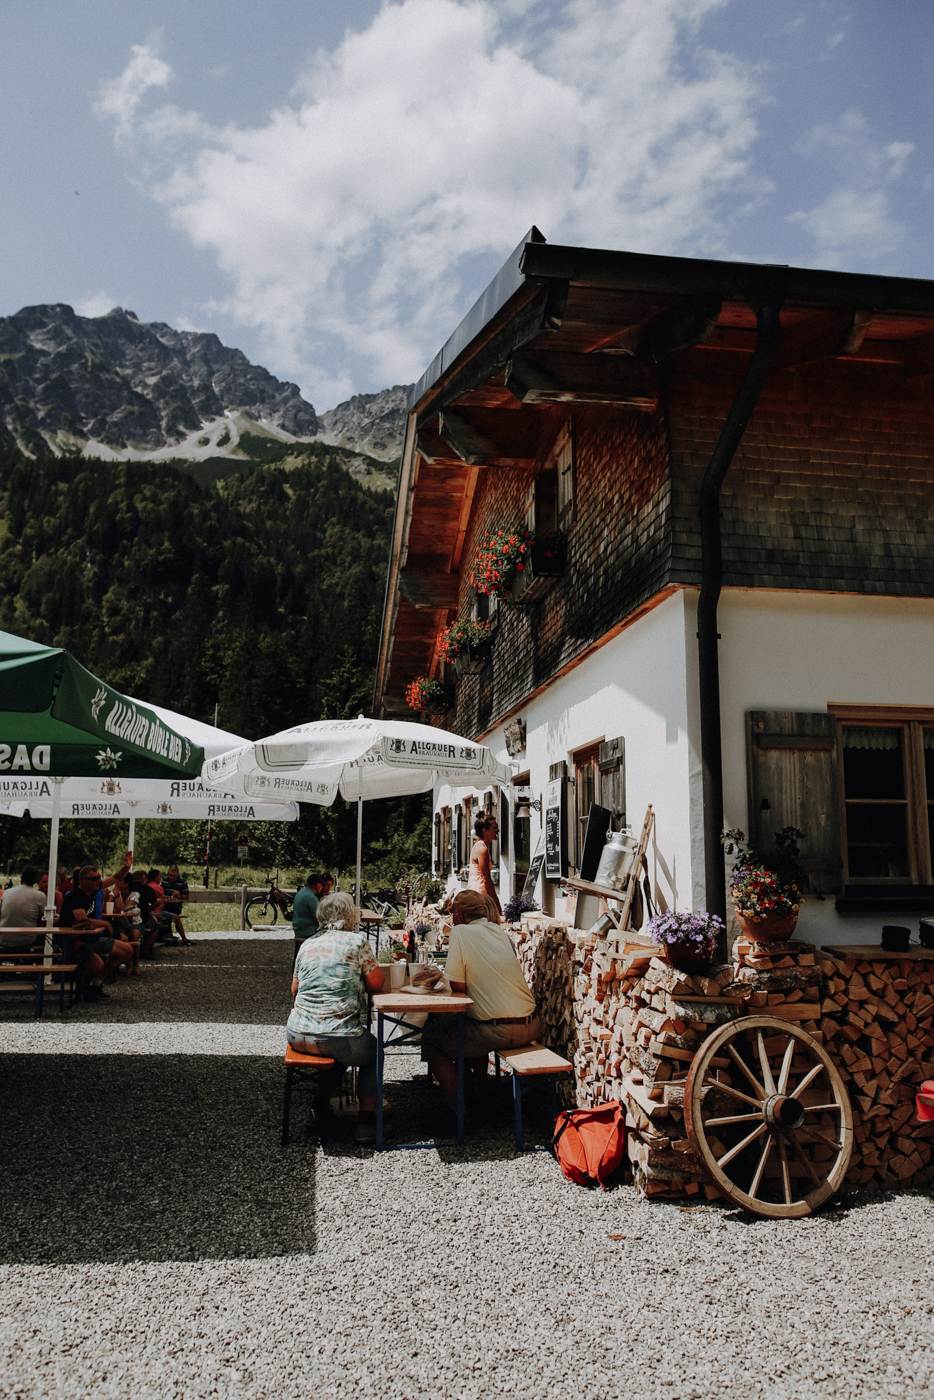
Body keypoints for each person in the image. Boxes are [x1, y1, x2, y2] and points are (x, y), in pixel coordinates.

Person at [422, 889, 539, 1120]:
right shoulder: (498, 931)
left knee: (433, 1040)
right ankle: (481, 1089)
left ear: (457, 916)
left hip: (501, 1030)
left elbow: (458, 987)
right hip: (532, 1024)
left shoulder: (460, 933)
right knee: (468, 1024)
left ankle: (460, 1112)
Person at [287, 891, 384, 1144]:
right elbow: (377, 984)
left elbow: (294, 991)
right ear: (350, 916)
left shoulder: (307, 944)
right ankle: (366, 1123)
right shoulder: (357, 942)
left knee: (337, 1047)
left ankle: (319, 1109)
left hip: (297, 1033)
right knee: (373, 1051)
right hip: (337, 1036)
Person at [59, 866, 134, 1000]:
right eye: (94, 878)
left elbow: (116, 878)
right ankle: (85, 982)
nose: (98, 881)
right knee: (98, 965)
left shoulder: (94, 888)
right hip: (74, 940)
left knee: (127, 951)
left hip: (92, 937)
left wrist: (127, 866)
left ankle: (95, 984)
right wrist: (105, 923)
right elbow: (83, 921)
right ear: (83, 880)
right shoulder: (74, 895)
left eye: (99, 878)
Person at [0, 866, 48, 952]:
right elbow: (42, 922)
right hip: (27, 940)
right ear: (37, 880)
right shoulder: (40, 896)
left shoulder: (6, 892)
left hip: (3, 938)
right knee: (49, 939)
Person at [467, 815, 501, 915]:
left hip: (475, 894)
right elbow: (486, 879)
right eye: (494, 827)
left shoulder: (479, 846)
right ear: (485, 831)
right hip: (480, 896)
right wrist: (496, 903)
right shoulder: (482, 849)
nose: (497, 831)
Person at [291, 873, 323, 968]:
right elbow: (318, 919)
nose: (322, 887)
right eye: (321, 885)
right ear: (317, 885)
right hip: (308, 930)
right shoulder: (311, 898)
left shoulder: (301, 893)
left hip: (298, 928)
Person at [159, 863, 192, 945]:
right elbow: (160, 893)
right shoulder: (164, 881)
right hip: (165, 904)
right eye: (170, 875)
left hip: (176, 905)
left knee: (169, 912)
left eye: (174, 876)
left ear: (177, 874)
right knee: (163, 911)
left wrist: (179, 895)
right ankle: (167, 935)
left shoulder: (183, 882)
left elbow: (186, 897)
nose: (172, 877)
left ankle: (169, 936)